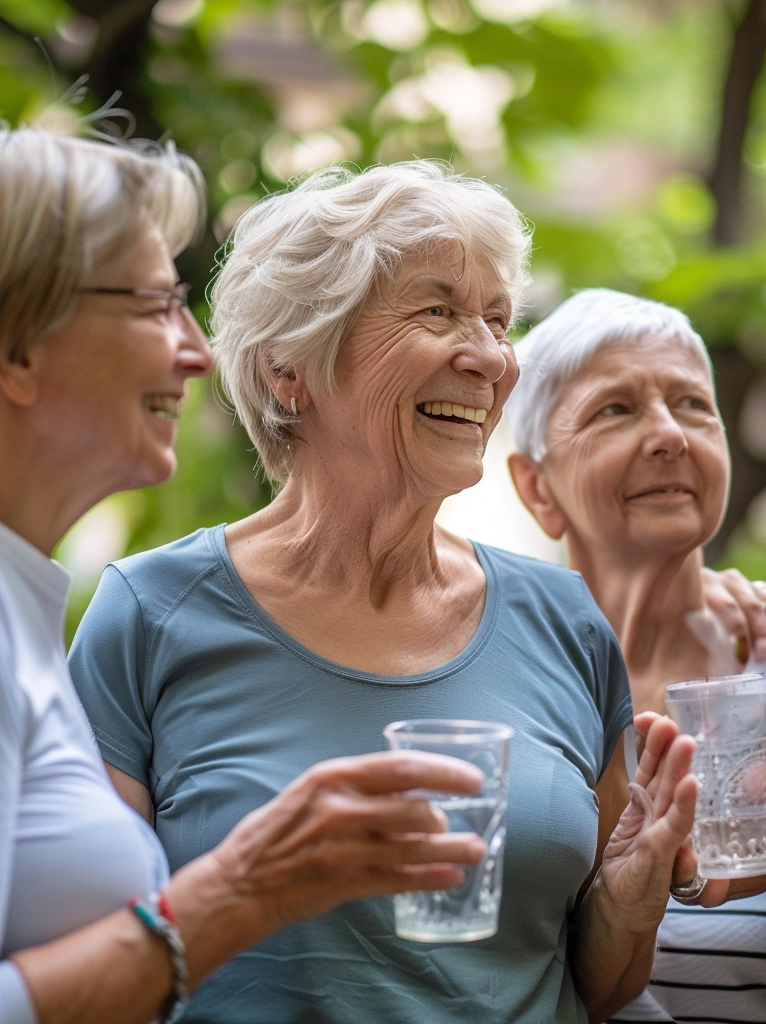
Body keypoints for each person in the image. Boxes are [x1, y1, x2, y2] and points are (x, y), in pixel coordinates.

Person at [69, 159, 703, 1024]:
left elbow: (595, 986)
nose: (488, 357)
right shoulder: (149, 614)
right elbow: (88, 959)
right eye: (438, 310)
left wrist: (630, 899)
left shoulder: (565, 623)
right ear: (292, 366)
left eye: (496, 318)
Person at [0, 129, 494, 1024]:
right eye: (154, 305)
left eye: (501, 319)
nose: (195, 350)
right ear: (20, 351)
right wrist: (236, 895)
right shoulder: (138, 610)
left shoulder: (20, 609)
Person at [505, 288, 766, 1024]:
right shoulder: (492, 691)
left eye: (693, 405)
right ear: (538, 487)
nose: (670, 433)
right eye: (616, 409)